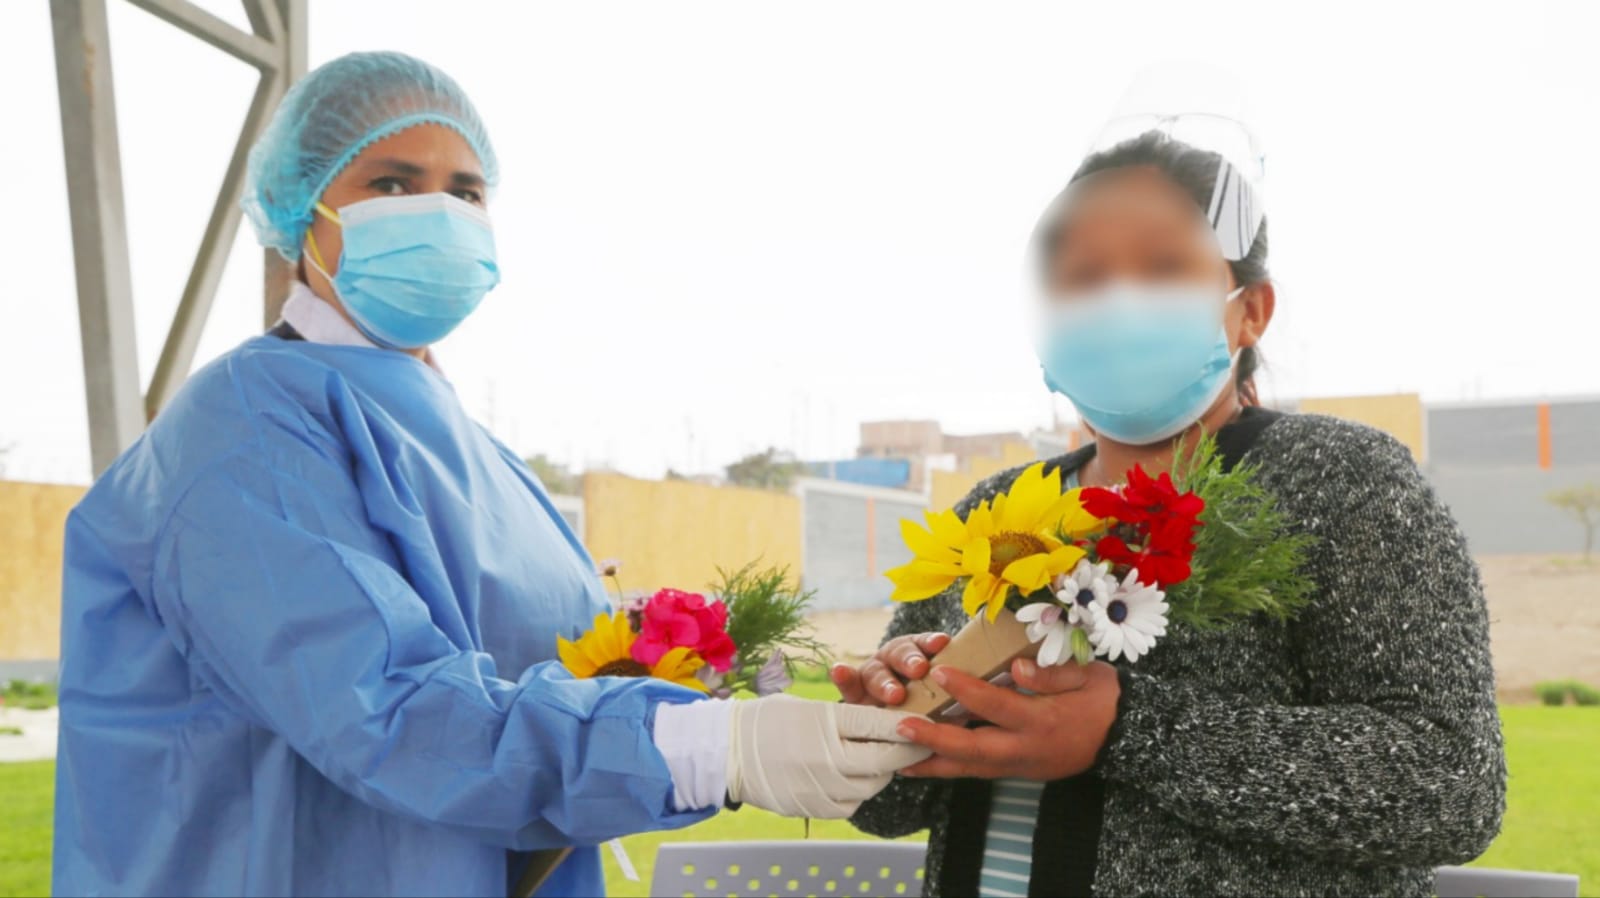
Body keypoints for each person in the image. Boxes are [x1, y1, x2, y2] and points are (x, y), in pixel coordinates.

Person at [52, 51, 927, 898]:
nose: (437, 212)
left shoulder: (463, 438)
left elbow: (535, 656)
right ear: (299, 212)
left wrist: (687, 656)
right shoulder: (244, 426)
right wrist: (710, 748)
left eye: (465, 191)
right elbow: (384, 707)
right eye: (391, 184)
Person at [836, 128, 1507, 896]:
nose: (1118, 300)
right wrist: (888, 725)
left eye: (1162, 267)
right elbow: (887, 808)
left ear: (1249, 310)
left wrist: (1131, 731)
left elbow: (1453, 782)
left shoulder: (1341, 480)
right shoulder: (995, 509)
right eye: (1081, 277)